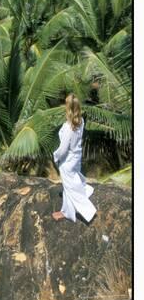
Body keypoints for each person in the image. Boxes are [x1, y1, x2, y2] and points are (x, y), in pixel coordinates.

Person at [52, 93, 97, 223]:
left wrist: (55, 156)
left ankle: (80, 211)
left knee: (70, 187)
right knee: (71, 184)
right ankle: (66, 210)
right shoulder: (80, 121)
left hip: (67, 161)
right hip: (76, 157)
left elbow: (63, 149)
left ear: (68, 108)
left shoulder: (68, 128)